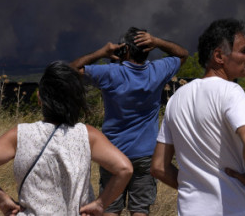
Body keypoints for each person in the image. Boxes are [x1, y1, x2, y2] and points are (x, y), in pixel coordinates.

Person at [0, 61, 133, 216]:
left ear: (40, 99)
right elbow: (124, 169)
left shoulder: (20, 134)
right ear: (75, 100)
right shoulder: (87, 135)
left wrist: (2, 200)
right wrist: (100, 204)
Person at [152, 18, 245, 216]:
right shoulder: (231, 91)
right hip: (237, 210)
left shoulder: (176, 98)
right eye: (243, 50)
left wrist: (194, 188)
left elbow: (158, 167)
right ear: (219, 56)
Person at [70, 28, 188, 216]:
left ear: (124, 50)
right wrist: (157, 41)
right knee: (140, 210)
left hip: (113, 153)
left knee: (109, 208)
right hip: (146, 154)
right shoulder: (158, 71)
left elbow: (70, 70)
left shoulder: (110, 73)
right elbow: (182, 54)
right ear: (147, 49)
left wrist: (102, 52)